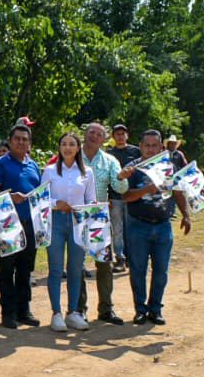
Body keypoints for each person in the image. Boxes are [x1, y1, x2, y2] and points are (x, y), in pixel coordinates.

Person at [123, 130, 193, 326]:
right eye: (147, 145)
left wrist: (186, 215)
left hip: (163, 226)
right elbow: (125, 196)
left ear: (161, 147)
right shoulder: (132, 168)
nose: (150, 149)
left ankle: (155, 309)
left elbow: (178, 193)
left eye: (155, 146)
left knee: (161, 270)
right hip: (138, 225)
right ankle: (140, 310)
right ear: (140, 146)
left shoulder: (169, 167)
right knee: (138, 270)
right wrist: (147, 190)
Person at [0, 123, 42, 329]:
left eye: (24, 139)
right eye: (17, 138)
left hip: (30, 225)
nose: (21, 142)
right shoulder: (0, 164)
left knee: (26, 269)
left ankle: (23, 310)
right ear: (10, 141)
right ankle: (8, 312)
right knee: (7, 269)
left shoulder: (33, 165)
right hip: (7, 225)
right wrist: (11, 197)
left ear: (29, 143)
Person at [76, 122, 131, 325]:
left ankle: (106, 309)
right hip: (76, 217)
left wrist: (123, 178)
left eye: (99, 134)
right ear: (84, 134)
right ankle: (79, 309)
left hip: (99, 218)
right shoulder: (72, 155)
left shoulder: (109, 161)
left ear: (103, 139)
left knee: (104, 265)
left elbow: (120, 187)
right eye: (91, 132)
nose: (94, 136)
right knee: (77, 266)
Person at [44, 133, 95, 332]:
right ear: (59, 148)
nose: (67, 147)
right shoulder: (49, 171)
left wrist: (91, 207)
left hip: (78, 222)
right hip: (55, 221)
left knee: (75, 268)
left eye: (72, 144)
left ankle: (73, 312)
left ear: (78, 148)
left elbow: (91, 198)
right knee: (56, 269)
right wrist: (56, 202)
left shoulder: (87, 172)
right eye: (63, 144)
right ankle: (56, 313)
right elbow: (42, 199)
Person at [108, 123, 142, 272]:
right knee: (117, 229)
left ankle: (132, 257)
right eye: (117, 134)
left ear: (127, 135)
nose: (120, 137)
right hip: (115, 196)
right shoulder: (109, 154)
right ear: (113, 137)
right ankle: (119, 258)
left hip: (132, 195)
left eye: (123, 134)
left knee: (132, 227)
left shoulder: (136, 151)